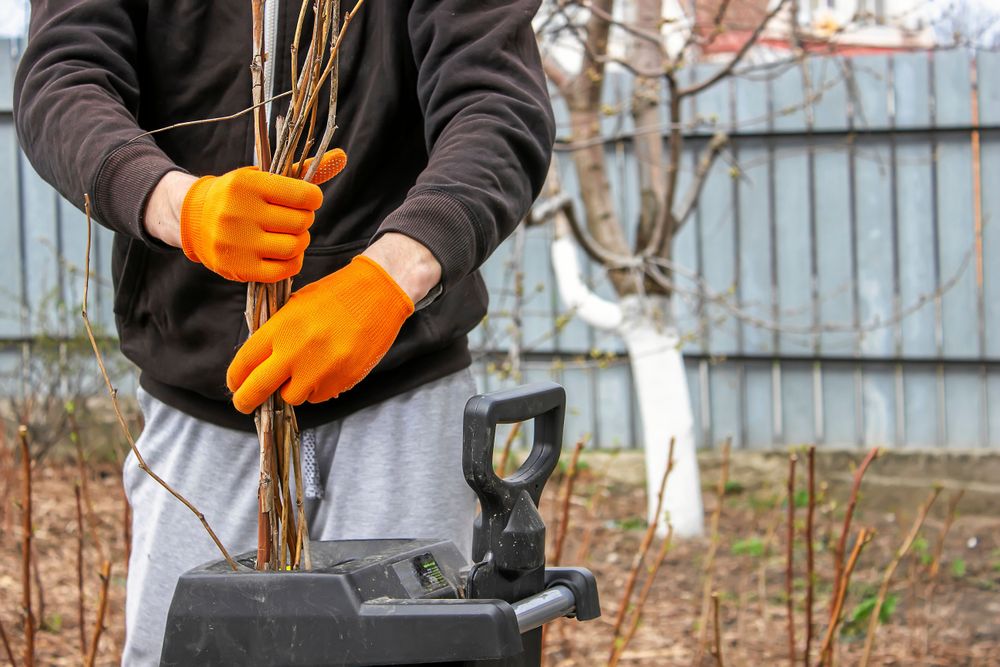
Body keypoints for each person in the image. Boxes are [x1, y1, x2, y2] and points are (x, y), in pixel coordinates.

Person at [13, 1, 554, 663]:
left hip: (401, 392)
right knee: (186, 649)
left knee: (413, 651)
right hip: (206, 400)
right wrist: (181, 206)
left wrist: (389, 276)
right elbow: (62, 81)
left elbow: (497, 104)